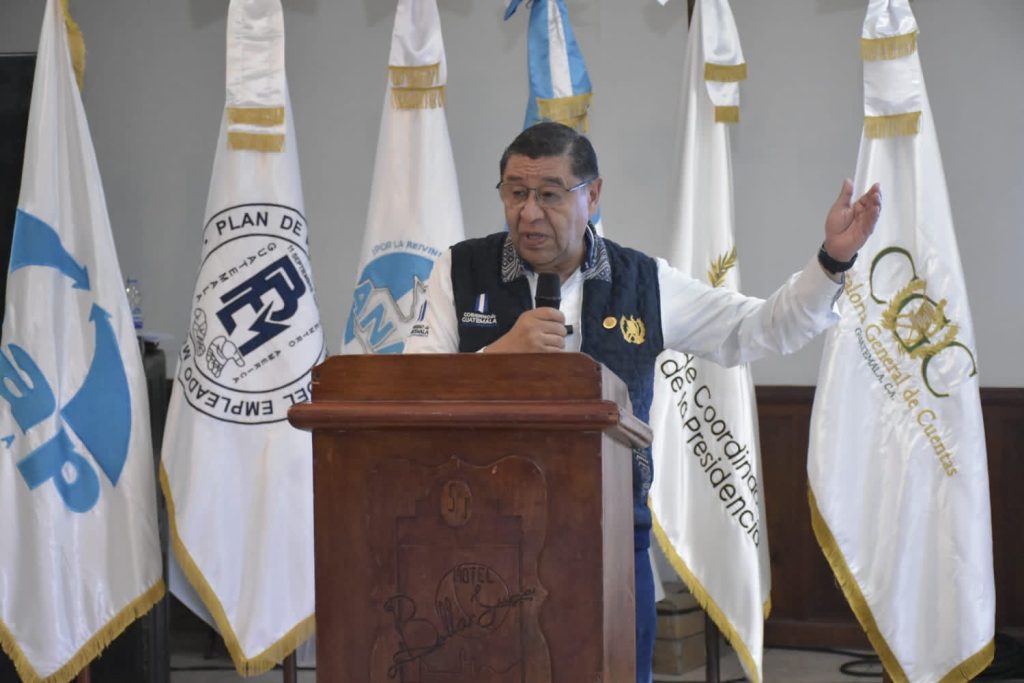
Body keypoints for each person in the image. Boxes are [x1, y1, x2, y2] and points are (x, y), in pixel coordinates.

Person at [404, 121, 881, 682]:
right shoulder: (459, 270)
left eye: (550, 194)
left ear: (593, 195)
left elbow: (758, 330)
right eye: (515, 193)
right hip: (477, 540)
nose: (529, 213)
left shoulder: (643, 281)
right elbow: (411, 392)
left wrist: (831, 262)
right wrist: (497, 357)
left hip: (606, 538)